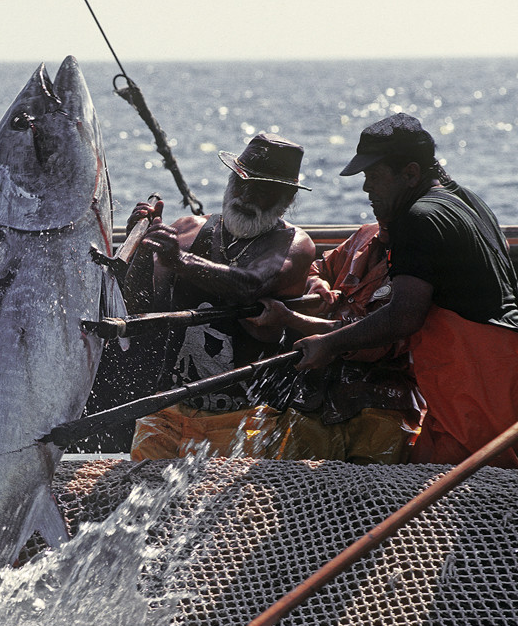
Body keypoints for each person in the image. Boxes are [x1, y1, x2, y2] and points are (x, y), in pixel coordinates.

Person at [295, 113, 518, 468]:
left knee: (465, 500)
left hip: (477, 389)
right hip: (498, 373)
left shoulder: (417, 219)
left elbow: (404, 316)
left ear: (411, 173)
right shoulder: (470, 201)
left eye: (373, 176)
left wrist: (329, 344)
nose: (366, 188)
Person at [125, 132, 316, 461]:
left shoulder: (294, 245)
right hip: (168, 410)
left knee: (229, 511)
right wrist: (143, 251)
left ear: (286, 199)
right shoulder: (187, 229)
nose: (245, 195)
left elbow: (251, 285)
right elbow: (139, 308)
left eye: (261, 188)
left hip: (247, 418)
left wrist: (181, 261)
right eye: (240, 182)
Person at [247, 221, 424, 464]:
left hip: (384, 402)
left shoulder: (421, 260)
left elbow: (381, 337)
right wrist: (317, 284)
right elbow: (316, 269)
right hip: (315, 393)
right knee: (285, 470)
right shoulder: (367, 235)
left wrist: (290, 318)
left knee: (374, 486)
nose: (371, 194)